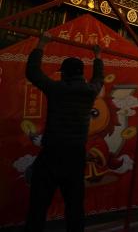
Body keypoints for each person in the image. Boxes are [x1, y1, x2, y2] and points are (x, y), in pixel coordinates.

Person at [24, 33, 104, 232]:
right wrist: (97, 56)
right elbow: (99, 79)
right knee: (75, 206)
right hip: (76, 154)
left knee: (38, 205)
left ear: (64, 73)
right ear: (80, 74)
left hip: (52, 152)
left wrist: (41, 44)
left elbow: (33, 72)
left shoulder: (56, 89)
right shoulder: (89, 92)